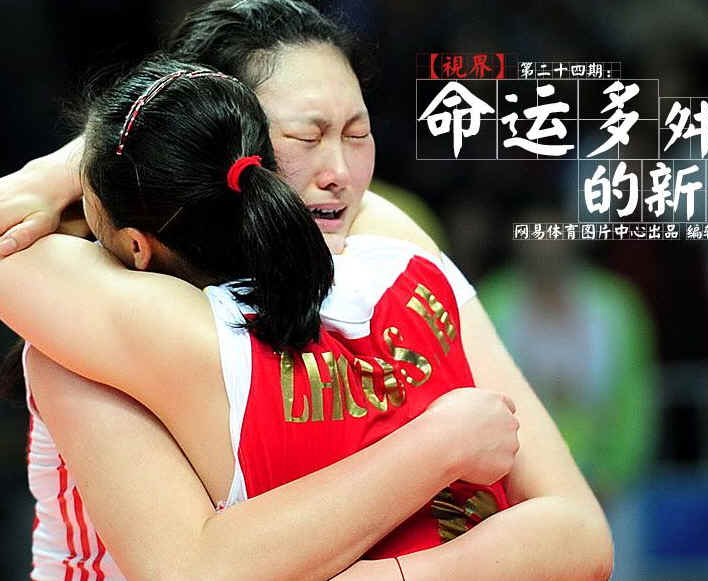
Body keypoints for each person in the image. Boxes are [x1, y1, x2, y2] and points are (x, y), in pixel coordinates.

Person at [0, 1, 612, 579]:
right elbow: (191, 568)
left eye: (357, 133)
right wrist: (60, 171)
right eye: (304, 137)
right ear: (226, 132)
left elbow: (578, 532)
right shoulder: (89, 305)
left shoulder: (380, 239)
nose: (339, 174)